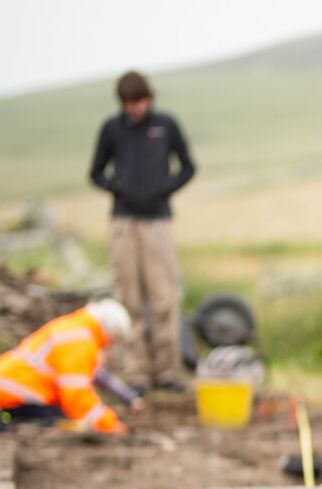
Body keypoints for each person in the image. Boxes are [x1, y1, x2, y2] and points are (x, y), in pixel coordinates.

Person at [89, 70, 196, 392]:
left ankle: (166, 370)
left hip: (158, 222)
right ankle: (134, 372)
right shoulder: (112, 129)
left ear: (149, 97)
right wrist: (116, 189)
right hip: (124, 223)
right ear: (121, 103)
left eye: (139, 101)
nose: (135, 108)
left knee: (163, 296)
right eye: (129, 103)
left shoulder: (165, 125)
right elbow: (95, 172)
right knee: (128, 298)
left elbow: (188, 166)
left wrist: (165, 189)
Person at [0, 299, 140, 435]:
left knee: (69, 421)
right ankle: (11, 429)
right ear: (110, 332)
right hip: (18, 391)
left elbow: (96, 379)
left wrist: (128, 398)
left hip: (9, 386)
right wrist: (109, 425)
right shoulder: (80, 341)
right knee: (68, 426)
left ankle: (11, 425)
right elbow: (77, 397)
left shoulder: (77, 328)